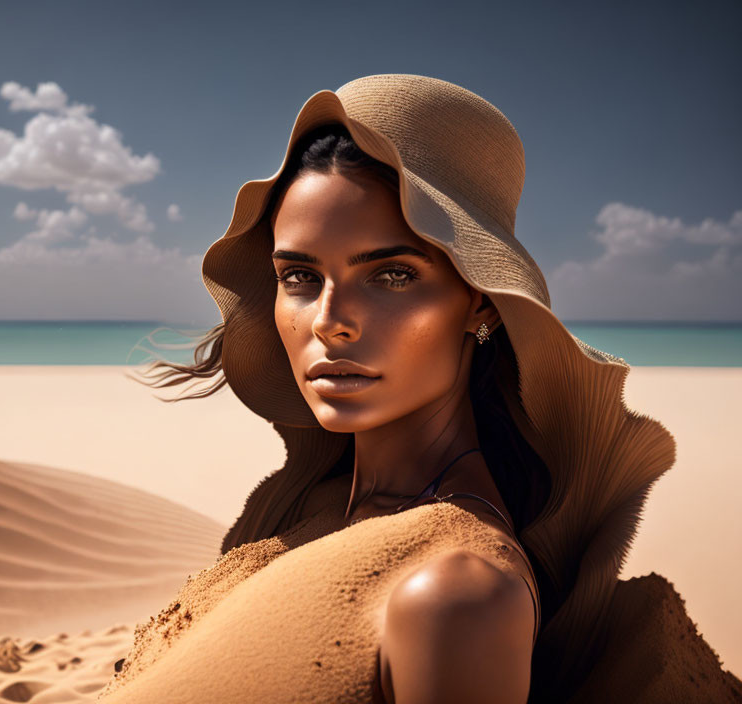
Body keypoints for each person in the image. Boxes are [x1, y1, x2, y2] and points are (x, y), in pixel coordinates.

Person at [97, 74, 683, 703]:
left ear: (480, 303)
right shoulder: (314, 517)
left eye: (392, 274)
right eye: (298, 276)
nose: (328, 321)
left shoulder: (454, 593)